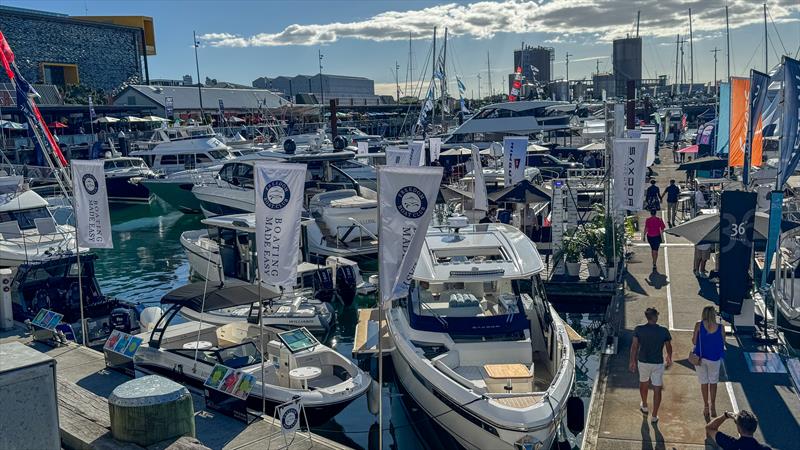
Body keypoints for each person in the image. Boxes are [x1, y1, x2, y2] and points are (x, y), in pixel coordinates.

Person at [629, 307, 673, 424]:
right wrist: (669, 356)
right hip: (657, 363)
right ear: (655, 317)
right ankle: (654, 415)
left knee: (643, 383)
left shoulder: (639, 329)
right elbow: (668, 346)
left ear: (647, 317)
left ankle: (644, 404)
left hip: (643, 362)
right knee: (657, 388)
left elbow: (634, 346)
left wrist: (632, 361)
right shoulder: (663, 331)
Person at [692, 306, 726, 419]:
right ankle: (713, 406)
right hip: (714, 359)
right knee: (713, 382)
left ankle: (706, 406)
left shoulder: (698, 325)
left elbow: (694, 341)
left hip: (701, 357)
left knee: (704, 382)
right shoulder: (721, 327)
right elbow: (723, 342)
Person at [705, 410, 770, 449]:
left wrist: (725, 415)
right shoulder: (765, 448)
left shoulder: (730, 443)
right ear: (755, 427)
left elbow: (709, 428)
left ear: (739, 429)